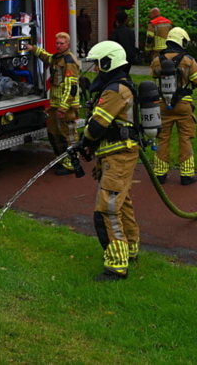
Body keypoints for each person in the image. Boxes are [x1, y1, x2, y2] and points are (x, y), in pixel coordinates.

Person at [81, 40, 139, 281]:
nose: (95, 69)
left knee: (107, 209)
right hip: (116, 153)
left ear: (108, 62)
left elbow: (96, 127)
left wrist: (84, 140)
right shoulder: (118, 85)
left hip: (119, 156)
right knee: (122, 204)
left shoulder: (115, 90)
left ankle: (116, 266)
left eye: (98, 64)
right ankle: (130, 249)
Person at [149, 27, 197, 185]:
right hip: (183, 105)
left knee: (163, 138)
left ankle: (160, 174)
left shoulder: (157, 60)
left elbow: (153, 75)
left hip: (163, 104)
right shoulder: (188, 60)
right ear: (182, 41)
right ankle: (187, 175)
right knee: (185, 138)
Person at [22, 32, 81, 175]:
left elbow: (71, 88)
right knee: (54, 134)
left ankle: (72, 164)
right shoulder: (58, 58)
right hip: (56, 106)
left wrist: (63, 108)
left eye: (62, 43)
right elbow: (48, 58)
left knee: (67, 136)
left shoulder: (69, 61)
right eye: (57, 43)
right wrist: (34, 49)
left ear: (68, 44)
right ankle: (62, 160)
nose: (58, 46)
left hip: (65, 107)